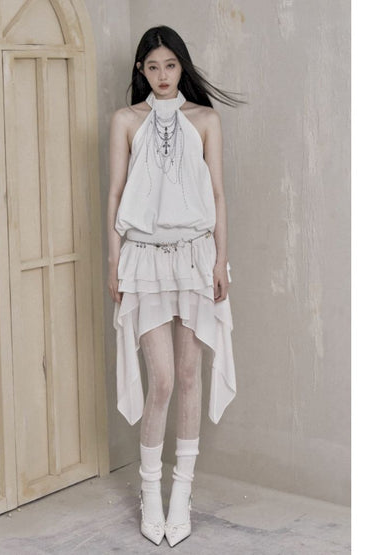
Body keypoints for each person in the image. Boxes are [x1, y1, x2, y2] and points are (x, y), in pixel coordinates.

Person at [107, 25, 246, 547]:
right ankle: (150, 491)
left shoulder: (205, 120)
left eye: (170, 65)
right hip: (143, 260)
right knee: (161, 379)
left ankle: (181, 493)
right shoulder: (125, 120)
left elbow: (219, 194)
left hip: (195, 257)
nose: (162, 75)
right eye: (152, 67)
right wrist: (113, 262)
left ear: (181, 65)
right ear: (140, 70)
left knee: (189, 375)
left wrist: (221, 261)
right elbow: (116, 193)